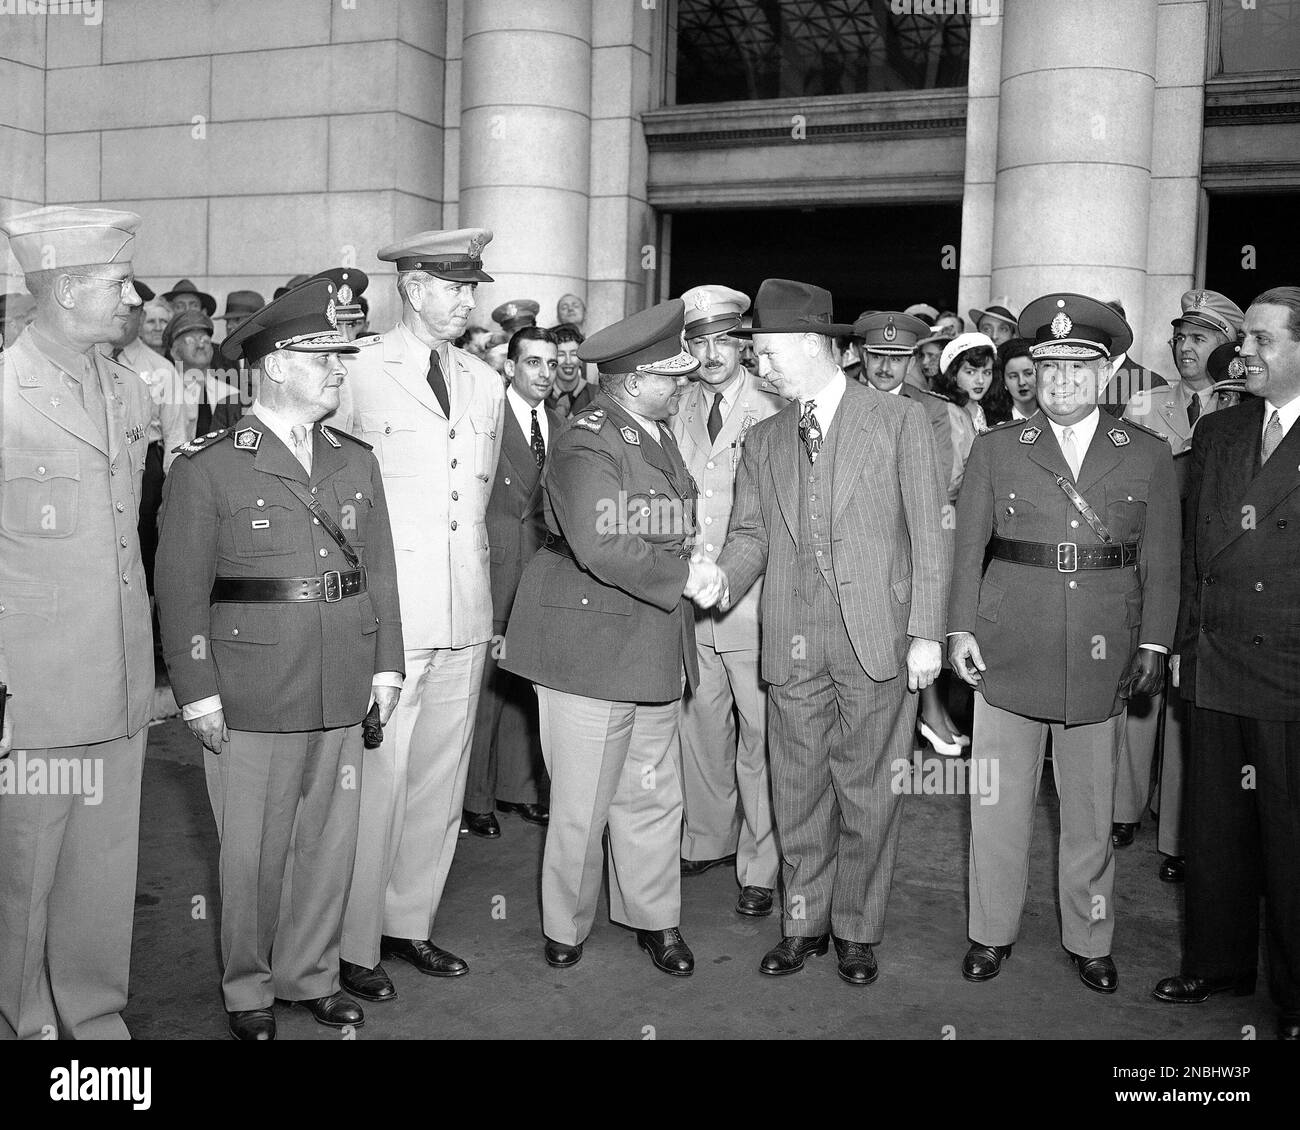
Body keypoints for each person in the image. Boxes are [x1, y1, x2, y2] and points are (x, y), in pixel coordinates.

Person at [155, 279, 403, 1041]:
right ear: (273, 366)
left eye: (342, 356)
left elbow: (381, 572)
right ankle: (248, 987)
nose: (339, 371)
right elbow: (181, 592)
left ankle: (312, 974)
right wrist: (196, 692)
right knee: (253, 856)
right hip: (252, 683)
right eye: (322, 357)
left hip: (342, 677)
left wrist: (387, 666)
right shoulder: (210, 467)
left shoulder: (354, 461)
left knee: (329, 845)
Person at [711, 279, 952, 987]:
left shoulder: (902, 421)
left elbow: (932, 534)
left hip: (877, 632)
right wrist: (722, 579)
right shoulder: (764, 438)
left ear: (818, 348)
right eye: (756, 356)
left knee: (868, 789)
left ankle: (856, 929)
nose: (762, 367)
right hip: (792, 635)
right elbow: (750, 534)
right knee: (797, 787)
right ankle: (803, 922)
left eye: (771, 353)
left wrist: (927, 633)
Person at [948, 292, 1180, 994]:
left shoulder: (1146, 454)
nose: (1062, 381)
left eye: (1078, 369)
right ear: (1034, 371)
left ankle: (1090, 936)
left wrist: (1156, 645)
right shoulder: (997, 449)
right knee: (997, 808)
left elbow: (1161, 562)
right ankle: (991, 933)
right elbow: (967, 552)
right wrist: (958, 627)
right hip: (1008, 645)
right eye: (1049, 367)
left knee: (1089, 810)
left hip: (1102, 652)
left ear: (1107, 374)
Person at [502, 300, 712, 975]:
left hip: (650, 636)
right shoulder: (586, 438)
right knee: (581, 804)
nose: (681, 385)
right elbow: (601, 542)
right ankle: (566, 925)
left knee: (652, 792)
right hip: (588, 642)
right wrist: (684, 577)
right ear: (633, 379)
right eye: (670, 375)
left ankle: (656, 918)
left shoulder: (653, 430)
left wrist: (688, 560)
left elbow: (665, 520)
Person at [331, 228, 504, 1004]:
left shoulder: (483, 380)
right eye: (453, 284)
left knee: (438, 782)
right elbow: (329, 495)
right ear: (410, 287)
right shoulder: (358, 370)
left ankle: (409, 923)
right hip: (390, 617)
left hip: (464, 611)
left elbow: (476, 496)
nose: (469, 299)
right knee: (378, 782)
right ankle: (351, 940)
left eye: (473, 285)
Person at [0, 205, 153, 1039]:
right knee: (25, 872)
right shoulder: (2, 393)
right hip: (36, 687)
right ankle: (20, 1022)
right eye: (115, 282)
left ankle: (94, 1018)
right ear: (63, 290)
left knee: (103, 865)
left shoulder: (128, 387)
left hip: (119, 675)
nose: (132, 295)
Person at [1152, 286, 1300, 1042]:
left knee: (1289, 836)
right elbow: (1187, 553)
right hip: (1214, 657)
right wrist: (1181, 646)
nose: (1243, 355)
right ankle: (1217, 964)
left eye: (1263, 342)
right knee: (1215, 826)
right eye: (1244, 342)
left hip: (1289, 669)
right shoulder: (1221, 430)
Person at [1114, 288, 1245, 878]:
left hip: (1213, 567)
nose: (1184, 347)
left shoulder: (1243, 408)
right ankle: (1123, 807)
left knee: (1188, 698)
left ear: (1227, 346)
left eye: (1199, 337)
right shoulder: (1143, 405)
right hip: (1150, 561)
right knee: (1139, 683)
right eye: (1180, 337)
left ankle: (1176, 835)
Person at [672, 285, 783, 916]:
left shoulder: (775, 406)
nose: (710, 354)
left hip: (755, 600)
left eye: (722, 339)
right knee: (700, 726)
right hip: (688, 599)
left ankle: (760, 864)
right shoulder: (676, 404)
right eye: (697, 341)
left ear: (744, 342)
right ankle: (707, 838)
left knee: (761, 735)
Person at [462, 327, 560, 837]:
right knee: (486, 689)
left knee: (529, 685)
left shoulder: (563, 424)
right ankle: (475, 797)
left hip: (542, 572)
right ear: (511, 367)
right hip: (495, 568)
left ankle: (522, 789)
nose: (543, 373)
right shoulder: (487, 420)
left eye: (551, 363)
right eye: (532, 363)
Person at [106, 292, 187, 597]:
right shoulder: (93, 358)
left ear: (139, 318)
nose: (123, 319)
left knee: (141, 543)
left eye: (130, 312)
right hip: (101, 460)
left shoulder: (161, 369)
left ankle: (145, 618)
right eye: (118, 311)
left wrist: (170, 492)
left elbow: (176, 434)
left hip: (145, 464)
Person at [161, 310, 242, 463]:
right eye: (190, 341)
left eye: (205, 340)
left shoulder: (231, 394)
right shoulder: (166, 393)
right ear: (175, 352)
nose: (200, 345)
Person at [1102, 298, 1168, 417]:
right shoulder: (1079, 378)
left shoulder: (1151, 384)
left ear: (1125, 334)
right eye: (1100, 331)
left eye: (1113, 330)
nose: (1105, 338)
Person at [548, 322, 597, 418]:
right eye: (561, 354)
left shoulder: (596, 395)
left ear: (581, 359)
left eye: (574, 354)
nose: (568, 361)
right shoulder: (542, 397)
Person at [999, 337, 1039, 420]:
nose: (1021, 382)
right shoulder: (992, 422)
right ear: (1004, 382)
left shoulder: (1054, 417)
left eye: (1028, 373)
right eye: (1013, 376)